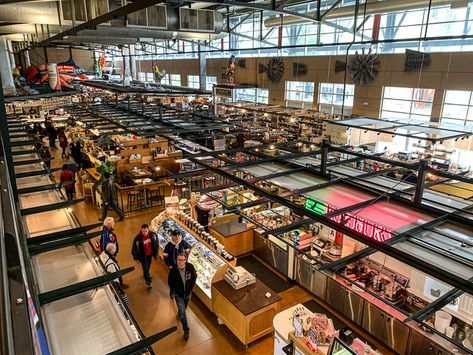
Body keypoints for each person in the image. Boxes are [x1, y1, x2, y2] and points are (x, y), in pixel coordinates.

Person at [168, 253, 197, 340]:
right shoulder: (173, 270)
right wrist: (174, 291)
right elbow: (170, 282)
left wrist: (190, 288)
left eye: (182, 260)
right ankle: (186, 330)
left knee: (184, 307)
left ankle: (180, 313)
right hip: (178, 295)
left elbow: (194, 277)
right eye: (179, 260)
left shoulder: (190, 267)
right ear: (176, 260)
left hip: (188, 293)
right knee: (182, 311)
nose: (180, 262)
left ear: (185, 260)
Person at [131, 224, 158, 288]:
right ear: (141, 230)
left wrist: (155, 254)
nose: (145, 233)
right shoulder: (137, 238)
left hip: (150, 255)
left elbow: (156, 244)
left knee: (148, 266)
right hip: (143, 256)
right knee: (145, 268)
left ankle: (145, 274)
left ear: (148, 229)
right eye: (143, 231)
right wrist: (136, 258)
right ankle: (148, 281)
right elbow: (134, 249)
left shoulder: (153, 235)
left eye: (146, 231)